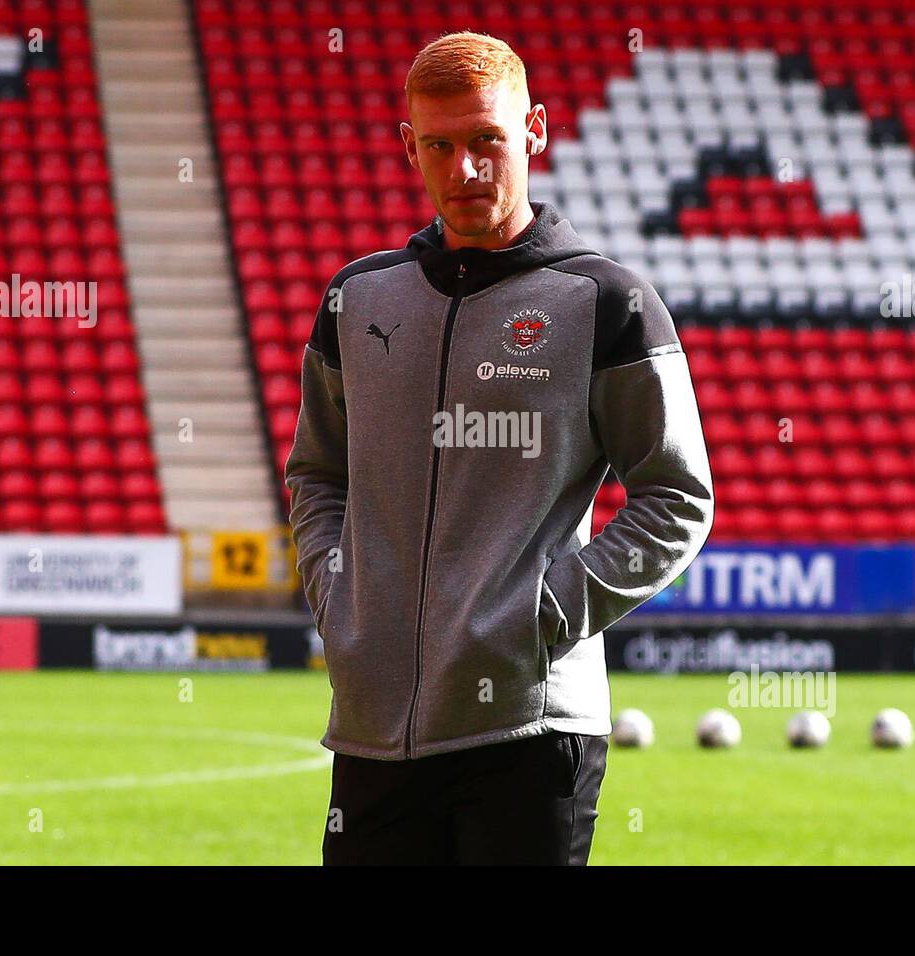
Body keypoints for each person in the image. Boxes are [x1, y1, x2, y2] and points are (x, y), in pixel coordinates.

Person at [284, 30, 714, 865]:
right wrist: (341, 604)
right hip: (374, 728)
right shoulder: (357, 297)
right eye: (439, 146)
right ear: (409, 146)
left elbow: (676, 496)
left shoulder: (606, 301)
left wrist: (541, 617)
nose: (466, 169)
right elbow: (317, 473)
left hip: (530, 726)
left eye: (487, 140)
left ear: (535, 132)